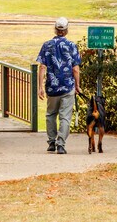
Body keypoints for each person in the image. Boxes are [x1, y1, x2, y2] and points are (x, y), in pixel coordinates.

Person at [37, 17, 81, 154]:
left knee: (50, 114)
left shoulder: (46, 45)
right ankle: (61, 144)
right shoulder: (72, 46)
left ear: (55, 29)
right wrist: (78, 85)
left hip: (52, 87)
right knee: (65, 117)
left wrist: (40, 87)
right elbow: (75, 69)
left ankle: (51, 142)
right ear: (67, 30)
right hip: (67, 87)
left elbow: (42, 67)